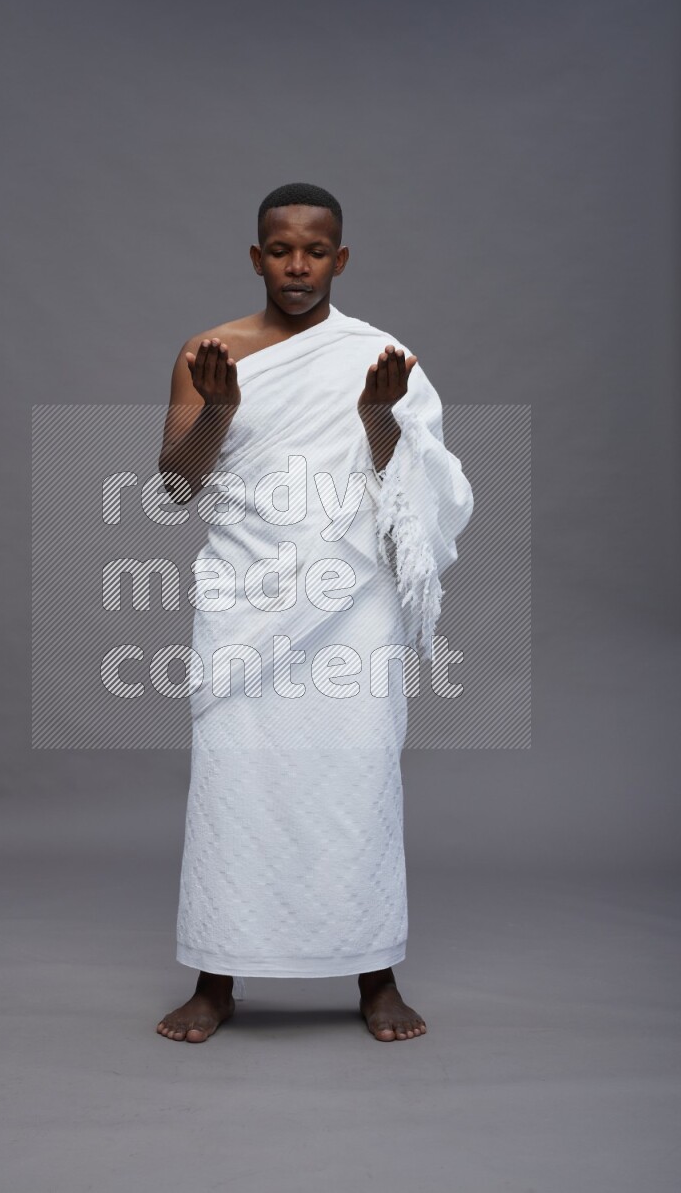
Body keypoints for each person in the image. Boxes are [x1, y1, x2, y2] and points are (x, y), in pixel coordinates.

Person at [155, 182, 473, 1042]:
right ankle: (215, 977)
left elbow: (409, 491)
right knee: (235, 784)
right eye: (282, 248)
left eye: (316, 248)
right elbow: (178, 486)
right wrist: (218, 410)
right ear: (257, 257)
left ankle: (375, 975)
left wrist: (378, 417)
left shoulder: (382, 357)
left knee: (355, 779)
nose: (299, 265)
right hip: (243, 598)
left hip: (350, 603)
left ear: (341, 257)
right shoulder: (207, 354)